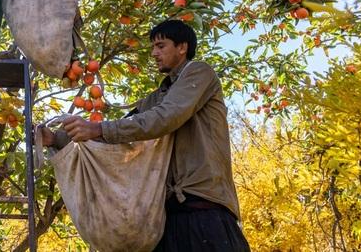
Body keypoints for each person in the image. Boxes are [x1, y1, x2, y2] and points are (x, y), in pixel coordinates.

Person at [40, 20, 251, 251]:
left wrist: (99, 128)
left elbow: (167, 117)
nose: (154, 53)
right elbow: (122, 131)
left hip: (206, 209)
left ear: (182, 47)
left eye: (161, 46)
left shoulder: (199, 73)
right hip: (166, 217)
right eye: (153, 47)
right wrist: (56, 139)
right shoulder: (156, 97)